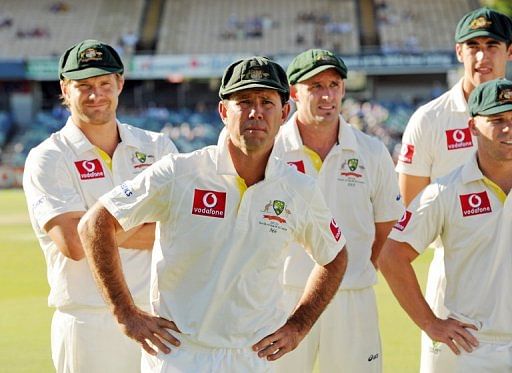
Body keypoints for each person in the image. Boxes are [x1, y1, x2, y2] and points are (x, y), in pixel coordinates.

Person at [77, 56, 348, 372]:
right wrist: (125, 313)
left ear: (285, 112)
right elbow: (95, 224)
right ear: (223, 111)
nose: (255, 112)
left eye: (266, 102)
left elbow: (335, 256)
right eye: (243, 101)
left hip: (253, 357)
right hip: (179, 354)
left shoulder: (298, 188)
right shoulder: (180, 172)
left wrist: (299, 324)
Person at [22, 39, 178, 372]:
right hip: (90, 322)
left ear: (120, 83)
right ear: (65, 88)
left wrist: (96, 226)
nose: (96, 95)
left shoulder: (156, 147)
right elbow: (75, 243)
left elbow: (185, 228)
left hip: (161, 317)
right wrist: (150, 229)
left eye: (105, 83)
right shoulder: (48, 157)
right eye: (84, 86)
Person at [395, 8, 512, 372]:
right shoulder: (430, 119)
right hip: (454, 278)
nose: (482, 56)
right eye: (472, 46)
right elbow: (413, 210)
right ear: (458, 52)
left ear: (509, 51)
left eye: (492, 45)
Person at [273, 49, 404, 372]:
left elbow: (385, 226)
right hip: (282, 295)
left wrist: (355, 268)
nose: (327, 95)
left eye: (333, 84)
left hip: (350, 296)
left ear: (344, 89)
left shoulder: (372, 151)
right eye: (315, 86)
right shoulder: (271, 149)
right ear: (294, 91)